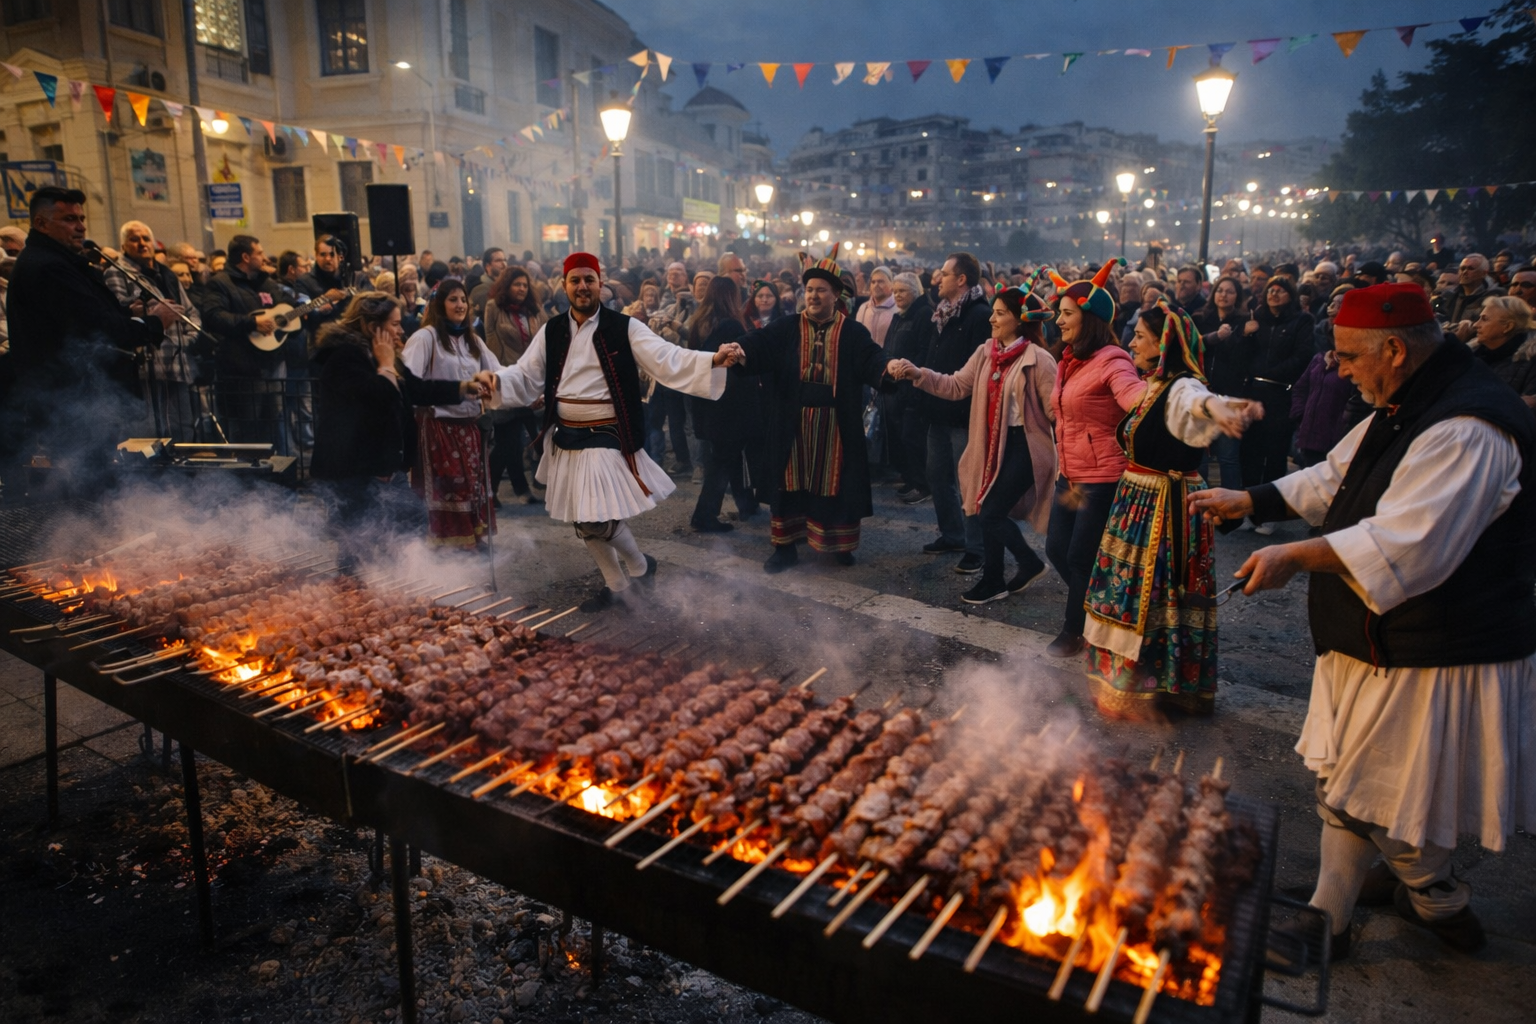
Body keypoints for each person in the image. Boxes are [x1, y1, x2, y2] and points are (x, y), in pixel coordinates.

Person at [1190, 282, 1535, 958]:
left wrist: (1294, 556)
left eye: (1348, 356)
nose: (1337, 368)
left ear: (1394, 350)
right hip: (1388, 634)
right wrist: (1250, 498)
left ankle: (1345, 918)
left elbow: (1411, 545)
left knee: (1368, 784)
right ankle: (1425, 893)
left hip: (1437, 641)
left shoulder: (1466, 427)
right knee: (1381, 782)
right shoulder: (1409, 398)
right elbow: (1336, 477)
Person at [473, 253, 743, 611]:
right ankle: (618, 585)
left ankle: (640, 566)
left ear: (600, 284)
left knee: (594, 517)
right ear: (565, 285)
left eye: (589, 279)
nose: (583, 286)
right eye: (575, 280)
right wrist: (496, 381)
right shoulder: (552, 330)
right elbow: (525, 374)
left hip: (607, 432)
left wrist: (712, 359)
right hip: (566, 433)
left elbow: (666, 357)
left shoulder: (624, 327)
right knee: (582, 518)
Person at [1083, 299, 1261, 718]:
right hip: (1139, 500)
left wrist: (1218, 408)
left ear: (1163, 345)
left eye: (1140, 337)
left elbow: (1197, 400)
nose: (1132, 343)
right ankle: (1135, 682)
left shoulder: (1181, 385)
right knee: (1130, 591)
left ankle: (1156, 686)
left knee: (1153, 592)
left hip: (1162, 506)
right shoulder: (1154, 385)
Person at [888, 282, 1058, 604]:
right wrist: (918, 374)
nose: (992, 319)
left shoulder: (1039, 359)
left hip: (1026, 446)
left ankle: (1025, 564)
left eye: (1000, 313)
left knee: (990, 512)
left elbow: (1055, 411)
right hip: (993, 443)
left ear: (1020, 319)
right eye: (993, 312)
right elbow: (955, 386)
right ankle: (996, 578)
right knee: (985, 508)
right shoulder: (985, 353)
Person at [2, 187, 175, 495]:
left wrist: (128, 312)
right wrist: (154, 323)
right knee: (86, 485)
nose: (80, 226)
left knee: (93, 480)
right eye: (69, 219)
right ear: (41, 223)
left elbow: (84, 315)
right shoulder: (48, 266)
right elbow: (96, 327)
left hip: (76, 395)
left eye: (81, 218)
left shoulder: (58, 261)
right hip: (67, 398)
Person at [733, 252, 898, 572]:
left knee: (838, 485)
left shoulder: (852, 332)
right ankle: (784, 548)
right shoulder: (787, 327)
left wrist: (889, 368)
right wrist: (739, 350)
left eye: (821, 290)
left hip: (837, 425)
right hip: (791, 422)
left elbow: (873, 359)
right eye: (809, 290)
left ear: (836, 295)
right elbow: (759, 343)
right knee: (788, 485)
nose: (813, 296)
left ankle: (840, 545)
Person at [311, 293, 486, 568]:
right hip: (354, 470)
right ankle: (353, 587)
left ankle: (395, 583)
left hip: (386, 466)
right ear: (372, 327)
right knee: (359, 542)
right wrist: (384, 365)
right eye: (394, 324)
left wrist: (463, 388)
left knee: (408, 524)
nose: (401, 330)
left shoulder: (384, 355)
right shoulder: (343, 357)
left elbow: (417, 389)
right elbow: (378, 398)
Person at [1043, 260, 1145, 657]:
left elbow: (1133, 396)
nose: (1059, 320)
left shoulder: (1113, 359)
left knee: (1079, 556)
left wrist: (1154, 394)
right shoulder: (1069, 358)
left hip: (1101, 477)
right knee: (1056, 549)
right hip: (1070, 474)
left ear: (1090, 318)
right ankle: (1099, 610)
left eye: (1067, 314)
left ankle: (1075, 631)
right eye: (1059, 313)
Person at [401, 279, 502, 548]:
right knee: (448, 487)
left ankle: (470, 538)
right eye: (453, 299)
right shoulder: (425, 338)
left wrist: (530, 394)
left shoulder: (473, 340)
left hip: (470, 428)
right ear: (439, 305)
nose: (460, 305)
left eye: (463, 300)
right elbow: (409, 381)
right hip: (438, 428)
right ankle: (444, 544)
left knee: (471, 486)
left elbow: (497, 372)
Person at [921, 252, 993, 573]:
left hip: (964, 415)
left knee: (970, 483)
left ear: (961, 279)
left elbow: (980, 373)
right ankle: (952, 534)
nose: (937, 278)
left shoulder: (979, 316)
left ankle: (976, 548)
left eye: (945, 273)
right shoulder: (942, 313)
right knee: (937, 476)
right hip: (938, 411)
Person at [103, 220, 202, 441]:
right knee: (149, 435)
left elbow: (190, 312)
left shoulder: (167, 274)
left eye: (146, 238)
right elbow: (119, 310)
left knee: (182, 430)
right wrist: (147, 312)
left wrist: (187, 339)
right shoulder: (117, 273)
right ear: (123, 246)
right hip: (146, 366)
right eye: (134, 239)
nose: (141, 243)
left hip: (176, 365)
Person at [687, 275, 763, 532]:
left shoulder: (700, 322)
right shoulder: (730, 325)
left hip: (709, 401)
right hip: (729, 406)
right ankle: (704, 515)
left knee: (727, 458)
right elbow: (739, 367)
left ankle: (746, 504)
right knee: (722, 461)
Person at [203, 234, 292, 449]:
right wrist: (251, 323)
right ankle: (250, 469)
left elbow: (282, 307)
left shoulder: (266, 282)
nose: (264, 257)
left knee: (274, 424)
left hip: (271, 364)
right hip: (242, 370)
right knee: (248, 431)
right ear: (245, 257)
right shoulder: (220, 283)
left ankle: (277, 467)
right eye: (259, 253)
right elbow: (213, 316)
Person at [1238, 275, 1314, 527]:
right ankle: (1248, 510)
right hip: (1253, 391)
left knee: (1275, 454)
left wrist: (1272, 373)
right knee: (1250, 452)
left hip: (1281, 393)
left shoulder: (1301, 321)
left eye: (1280, 290)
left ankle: (1269, 513)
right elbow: (1241, 355)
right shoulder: (1255, 318)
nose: (1274, 294)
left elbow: (1302, 356)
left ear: (1290, 295)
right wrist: (1246, 335)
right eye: (1271, 290)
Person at [481, 266, 546, 504]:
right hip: (505, 379)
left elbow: (546, 340)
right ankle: (491, 491)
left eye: (525, 285)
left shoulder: (535, 310)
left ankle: (511, 490)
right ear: (506, 286)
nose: (521, 289)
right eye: (517, 284)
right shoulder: (494, 308)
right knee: (508, 440)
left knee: (519, 439)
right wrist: (499, 378)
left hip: (530, 381)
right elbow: (490, 343)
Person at [1194, 275, 1249, 488]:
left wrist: (1236, 336)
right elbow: (1193, 345)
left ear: (1237, 297)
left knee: (1228, 457)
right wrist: (1215, 336)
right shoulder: (1201, 318)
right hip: (1202, 392)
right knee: (1200, 456)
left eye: (1229, 291)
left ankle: (1231, 504)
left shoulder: (1243, 322)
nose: (1223, 295)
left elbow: (1244, 356)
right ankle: (1200, 499)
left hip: (1230, 395)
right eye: (1220, 290)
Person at [886, 272, 935, 504]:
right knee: (901, 436)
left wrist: (910, 372)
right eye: (895, 291)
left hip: (914, 386)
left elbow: (925, 350)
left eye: (902, 291)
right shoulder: (899, 316)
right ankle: (911, 478)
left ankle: (923, 485)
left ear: (915, 292)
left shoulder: (924, 314)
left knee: (913, 437)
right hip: (897, 385)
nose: (897, 295)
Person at [1467, 295, 1536, 405]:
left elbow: (1527, 407)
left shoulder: (1530, 360)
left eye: (1484, 319)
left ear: (1508, 327)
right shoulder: (1471, 354)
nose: (1476, 325)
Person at [1443, 254, 1505, 340]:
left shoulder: (1493, 298)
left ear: (1484, 273)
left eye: (1470, 268)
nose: (1464, 272)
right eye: (1462, 268)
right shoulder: (1450, 297)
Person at [855, 266, 897, 347]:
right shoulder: (864, 308)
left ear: (891, 284)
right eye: (873, 282)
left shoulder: (898, 309)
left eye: (881, 282)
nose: (876, 285)